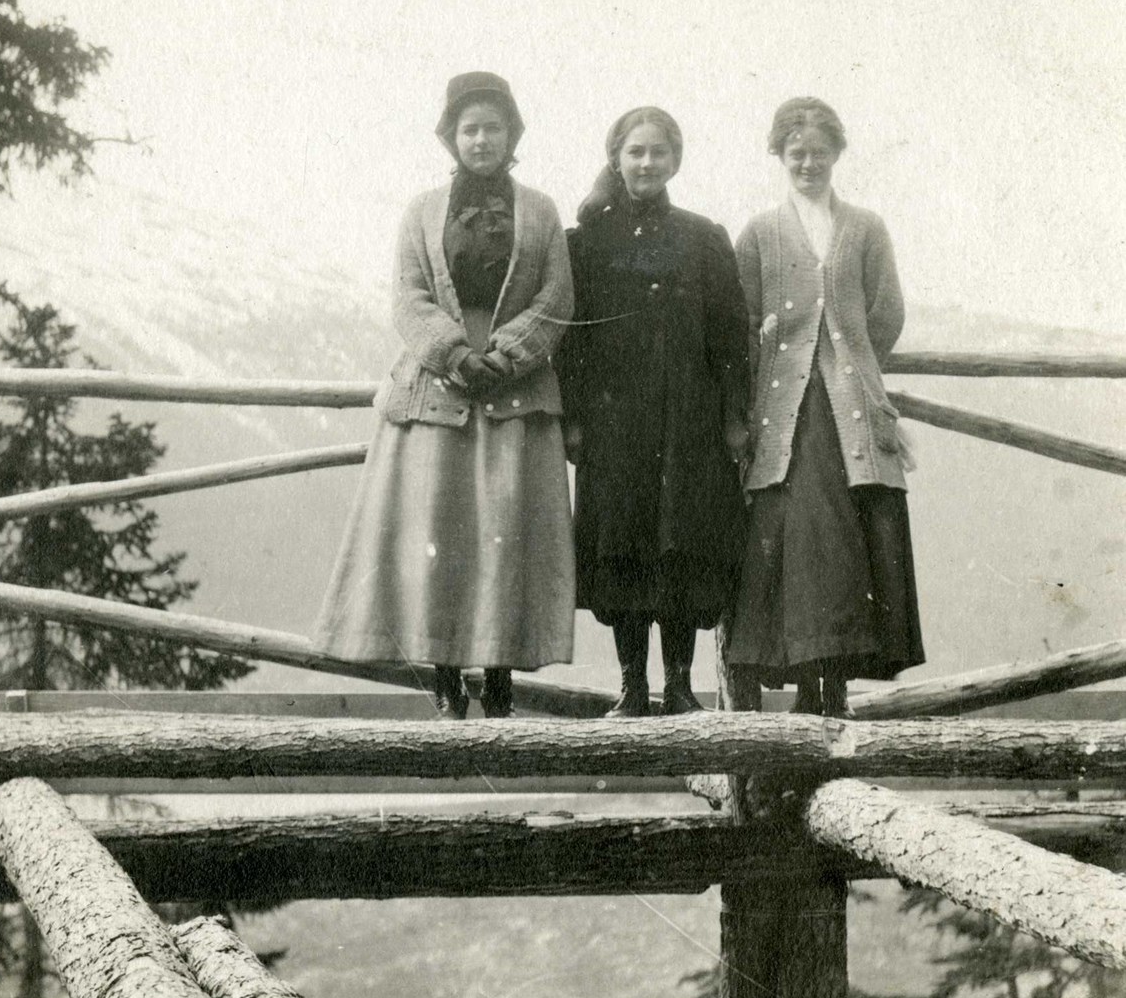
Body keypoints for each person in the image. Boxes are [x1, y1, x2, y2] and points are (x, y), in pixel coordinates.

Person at [311, 72, 575, 719]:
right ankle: (446, 675)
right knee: (441, 533)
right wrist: (453, 354)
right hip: (438, 388)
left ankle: (502, 677)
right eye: (470, 129)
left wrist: (509, 354)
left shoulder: (539, 210)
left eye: (493, 127)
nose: (482, 139)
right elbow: (408, 296)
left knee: (507, 536)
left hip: (515, 392)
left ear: (512, 134)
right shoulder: (421, 211)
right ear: (451, 138)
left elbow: (556, 297)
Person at [727, 97, 925, 716]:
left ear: (837, 154)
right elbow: (742, 317)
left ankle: (830, 684)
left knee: (846, 536)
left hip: (850, 407)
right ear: (780, 158)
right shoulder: (760, 232)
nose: (807, 163)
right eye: (796, 154)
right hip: (784, 407)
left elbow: (886, 312)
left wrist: (854, 359)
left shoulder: (865, 227)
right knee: (797, 534)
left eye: (818, 152)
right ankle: (803, 676)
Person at [559, 107, 751, 717]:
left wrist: (733, 417)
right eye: (635, 152)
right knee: (624, 544)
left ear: (676, 161)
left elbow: (730, 336)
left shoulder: (704, 237)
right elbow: (570, 341)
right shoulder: (584, 243)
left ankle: (679, 687)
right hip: (615, 422)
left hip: (690, 419)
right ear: (616, 157)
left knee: (682, 544)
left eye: (658, 153)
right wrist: (573, 418)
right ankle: (632, 687)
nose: (646, 163)